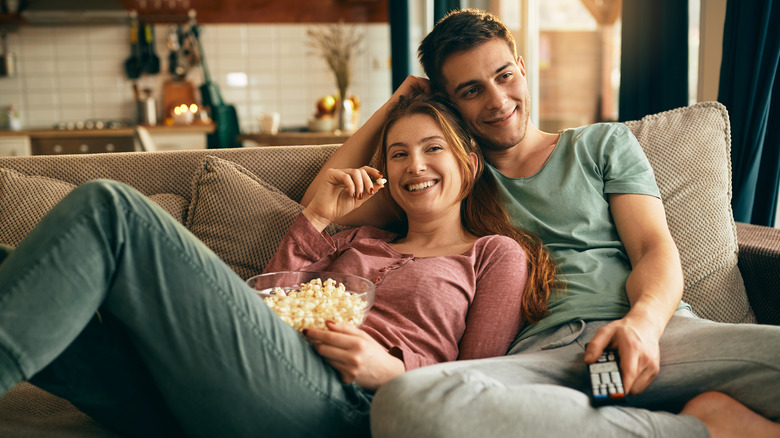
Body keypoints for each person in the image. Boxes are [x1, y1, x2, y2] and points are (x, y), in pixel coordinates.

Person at [303, 8, 780, 438]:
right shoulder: (449, 178)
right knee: (404, 404)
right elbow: (325, 203)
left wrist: (642, 324)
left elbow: (654, 248)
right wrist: (399, 106)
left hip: (654, 333)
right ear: (449, 104)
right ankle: (704, 428)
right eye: (471, 91)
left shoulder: (601, 144)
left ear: (522, 68)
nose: (497, 100)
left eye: (504, 76)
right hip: (535, 361)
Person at [0, 91, 560, 438]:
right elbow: (272, 300)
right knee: (16, 267)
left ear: (469, 163)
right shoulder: (357, 239)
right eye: (399, 153)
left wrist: (394, 374)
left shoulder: (493, 254)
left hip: (347, 406)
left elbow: (482, 387)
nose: (415, 165)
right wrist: (316, 217)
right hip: (242, 384)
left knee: (111, 208)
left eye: (433, 148)